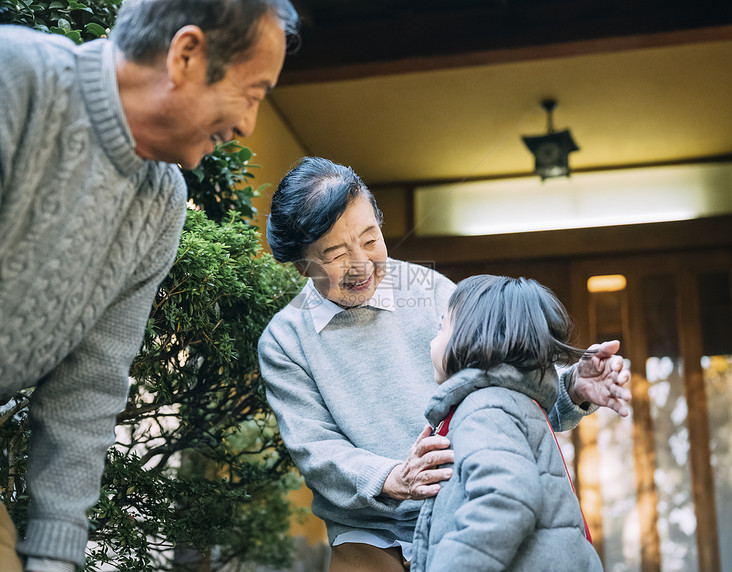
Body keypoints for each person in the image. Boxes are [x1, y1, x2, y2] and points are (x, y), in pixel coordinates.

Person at [0, 0, 298, 570]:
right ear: (186, 55)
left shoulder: (162, 201)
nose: (248, 123)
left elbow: (91, 383)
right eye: (252, 93)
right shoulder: (7, 76)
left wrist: (55, 549)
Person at [258, 157, 631, 571]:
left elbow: (500, 383)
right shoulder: (284, 341)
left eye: (370, 239)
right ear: (299, 263)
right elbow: (317, 450)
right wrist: (395, 477)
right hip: (368, 530)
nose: (361, 264)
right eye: (335, 254)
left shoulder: (430, 289)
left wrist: (571, 388)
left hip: (462, 499)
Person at [410, 274, 603, 571]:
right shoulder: (509, 402)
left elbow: (504, 497)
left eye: (441, 327)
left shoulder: (483, 407)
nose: (432, 339)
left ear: (472, 336)